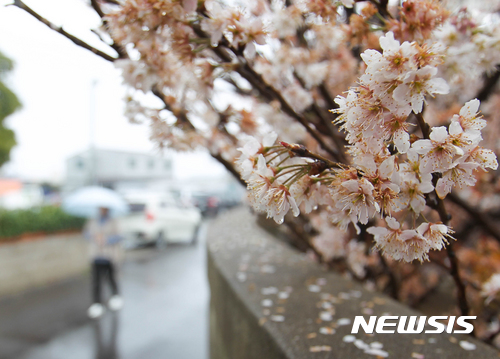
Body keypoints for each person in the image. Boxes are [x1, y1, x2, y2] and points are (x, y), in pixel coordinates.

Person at [85, 206, 124, 319]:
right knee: (96, 281)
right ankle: (97, 303)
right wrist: (94, 237)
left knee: (111, 277)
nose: (102, 210)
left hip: (109, 255)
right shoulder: (92, 221)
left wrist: (107, 239)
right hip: (96, 255)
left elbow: (120, 235)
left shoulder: (114, 221)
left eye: (104, 208)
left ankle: (115, 296)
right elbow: (86, 233)